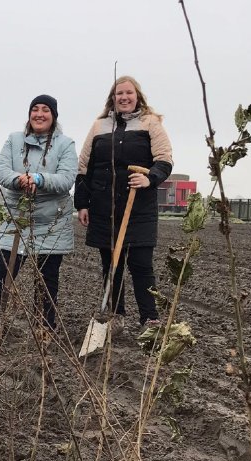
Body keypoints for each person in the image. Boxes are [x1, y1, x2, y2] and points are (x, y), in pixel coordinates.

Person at [0, 95, 78, 340]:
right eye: (34, 109)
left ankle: (44, 328)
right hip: (16, 216)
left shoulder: (65, 144)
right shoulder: (14, 140)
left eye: (45, 110)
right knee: (0, 271)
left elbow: (67, 178)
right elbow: (1, 170)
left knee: (46, 279)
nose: (39, 114)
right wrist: (18, 180)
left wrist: (38, 179)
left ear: (53, 116)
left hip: (51, 221)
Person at [74, 75, 173, 332]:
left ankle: (149, 319)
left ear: (137, 96)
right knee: (111, 264)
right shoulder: (99, 126)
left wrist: (150, 178)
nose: (124, 97)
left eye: (129, 93)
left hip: (138, 208)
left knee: (141, 264)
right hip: (104, 208)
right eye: (119, 94)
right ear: (113, 98)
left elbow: (164, 160)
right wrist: (82, 204)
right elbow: (85, 166)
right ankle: (116, 315)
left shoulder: (151, 123)